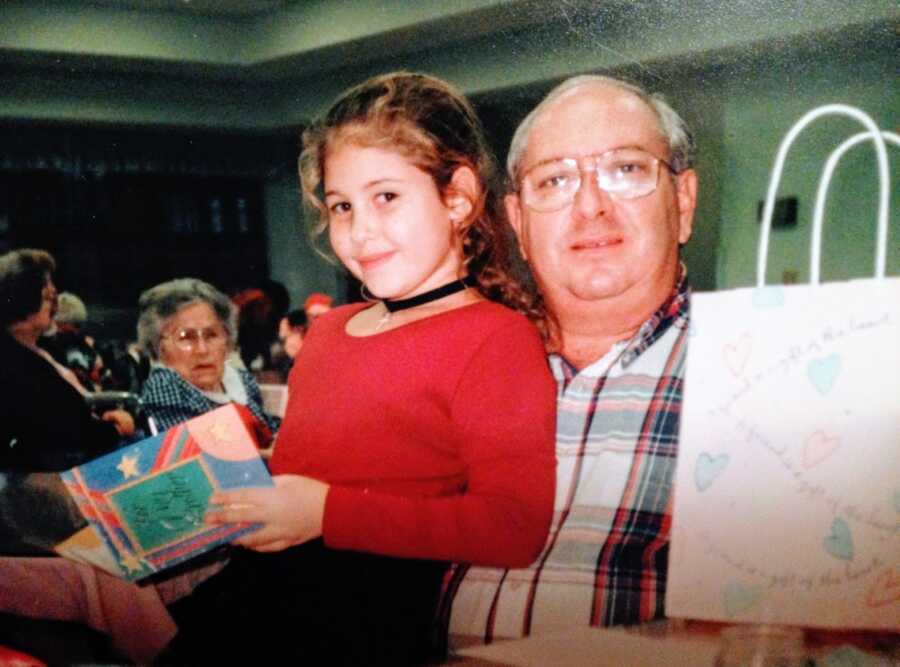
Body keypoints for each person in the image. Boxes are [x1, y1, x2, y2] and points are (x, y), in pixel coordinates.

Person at [160, 72, 557, 665]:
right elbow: (300, 481)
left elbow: (512, 526)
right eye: (342, 205)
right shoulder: (328, 333)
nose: (359, 228)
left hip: (356, 619)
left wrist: (324, 512)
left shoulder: (496, 338)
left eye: (386, 197)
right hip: (253, 598)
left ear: (459, 196)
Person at [443, 75, 698, 641]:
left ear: (683, 203)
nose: (590, 207)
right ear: (518, 224)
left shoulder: (756, 376)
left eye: (626, 170)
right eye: (555, 180)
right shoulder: (461, 367)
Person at [0, 249, 134, 472]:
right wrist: (115, 429)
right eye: (47, 297)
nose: (54, 306)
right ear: (23, 298)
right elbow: (58, 430)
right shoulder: (15, 363)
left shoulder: (35, 351)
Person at [137, 278, 280, 436]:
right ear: (158, 347)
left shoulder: (241, 380)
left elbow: (269, 427)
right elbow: (204, 455)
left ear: (227, 338)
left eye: (211, 335)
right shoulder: (164, 387)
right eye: (185, 337)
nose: (202, 349)